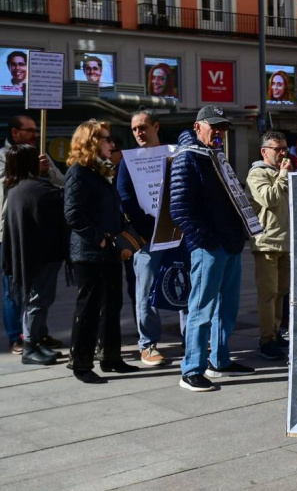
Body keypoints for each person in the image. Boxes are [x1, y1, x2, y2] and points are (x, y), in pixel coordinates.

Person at [170, 105, 254, 392]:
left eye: (223, 127)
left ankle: (219, 359)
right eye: (213, 126)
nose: (219, 132)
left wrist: (237, 234)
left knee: (226, 308)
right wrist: (207, 241)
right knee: (202, 308)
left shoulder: (215, 157)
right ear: (198, 127)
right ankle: (192, 369)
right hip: (209, 246)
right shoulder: (188, 158)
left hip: (228, 243)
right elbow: (180, 209)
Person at [64, 119, 139, 383]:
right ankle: (81, 363)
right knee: (89, 307)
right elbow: (73, 214)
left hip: (109, 252)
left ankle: (111, 358)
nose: (112, 143)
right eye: (107, 139)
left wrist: (124, 233)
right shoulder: (79, 172)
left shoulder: (102, 172)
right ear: (92, 142)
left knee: (112, 305)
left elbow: (110, 211)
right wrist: (102, 240)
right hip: (89, 252)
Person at [0, 115, 64, 354]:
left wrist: (45, 173)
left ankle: (37, 334)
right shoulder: (3, 157)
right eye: (30, 131)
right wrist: (29, 172)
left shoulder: (41, 157)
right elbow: (9, 188)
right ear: (16, 133)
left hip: (37, 232)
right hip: (10, 232)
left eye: (37, 131)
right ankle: (17, 336)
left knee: (40, 290)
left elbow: (61, 183)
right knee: (15, 288)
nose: (36, 135)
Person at [116, 109, 175, 366]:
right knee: (146, 289)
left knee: (182, 282)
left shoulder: (172, 155)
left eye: (143, 127)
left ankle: (191, 337)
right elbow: (124, 197)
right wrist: (146, 226)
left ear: (156, 127)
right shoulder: (128, 161)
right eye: (134, 129)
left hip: (176, 231)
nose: (139, 132)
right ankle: (148, 344)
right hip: (148, 237)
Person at [246, 131, 291, 361]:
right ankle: (266, 340)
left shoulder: (284, 173)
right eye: (278, 149)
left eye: (285, 148)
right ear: (264, 151)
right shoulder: (257, 174)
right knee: (268, 294)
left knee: (281, 292)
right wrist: (283, 175)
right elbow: (270, 199)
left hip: (285, 241)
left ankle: (274, 332)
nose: (283, 153)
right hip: (266, 243)